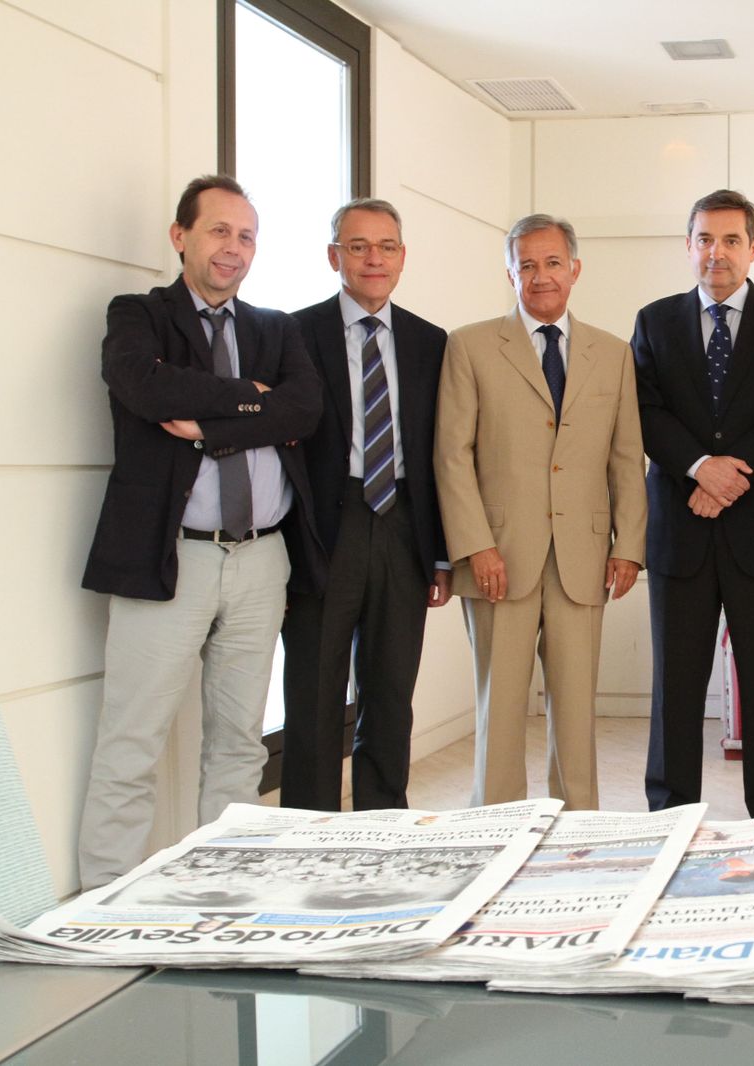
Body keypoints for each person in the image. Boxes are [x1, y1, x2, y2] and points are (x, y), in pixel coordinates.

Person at [78, 175, 323, 890]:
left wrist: (212, 423)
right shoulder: (138, 315)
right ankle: (105, 897)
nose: (234, 248)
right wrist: (253, 400)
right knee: (133, 740)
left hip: (261, 559)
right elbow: (146, 387)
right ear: (180, 236)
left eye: (247, 236)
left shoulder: (276, 329)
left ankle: (225, 887)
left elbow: (304, 410)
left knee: (239, 743)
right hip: (170, 558)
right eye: (220, 230)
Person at [435, 213, 646, 811]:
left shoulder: (613, 354)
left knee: (577, 711)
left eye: (552, 262)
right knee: (499, 710)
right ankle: (495, 829)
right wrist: (476, 546)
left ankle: (578, 832)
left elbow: (628, 458)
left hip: (583, 558)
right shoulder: (471, 345)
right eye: (526, 264)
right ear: (510, 272)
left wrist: (628, 545)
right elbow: (453, 455)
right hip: (498, 555)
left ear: (574, 269)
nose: (540, 275)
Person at [631, 189, 754, 817]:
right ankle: (671, 813)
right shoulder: (653, 322)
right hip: (680, 527)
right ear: (688, 247)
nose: (717, 252)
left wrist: (733, 477)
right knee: (674, 687)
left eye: (732, 240)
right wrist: (700, 470)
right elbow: (646, 411)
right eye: (705, 239)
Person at [280, 198, 451, 811]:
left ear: (402, 257)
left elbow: (443, 454)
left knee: (390, 690)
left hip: (404, 524)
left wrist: (441, 554)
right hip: (328, 528)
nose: (372, 259)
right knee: (314, 688)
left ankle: (383, 823)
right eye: (357, 246)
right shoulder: (293, 334)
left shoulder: (433, 343)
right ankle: (308, 826)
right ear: (335, 256)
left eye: (385, 247)